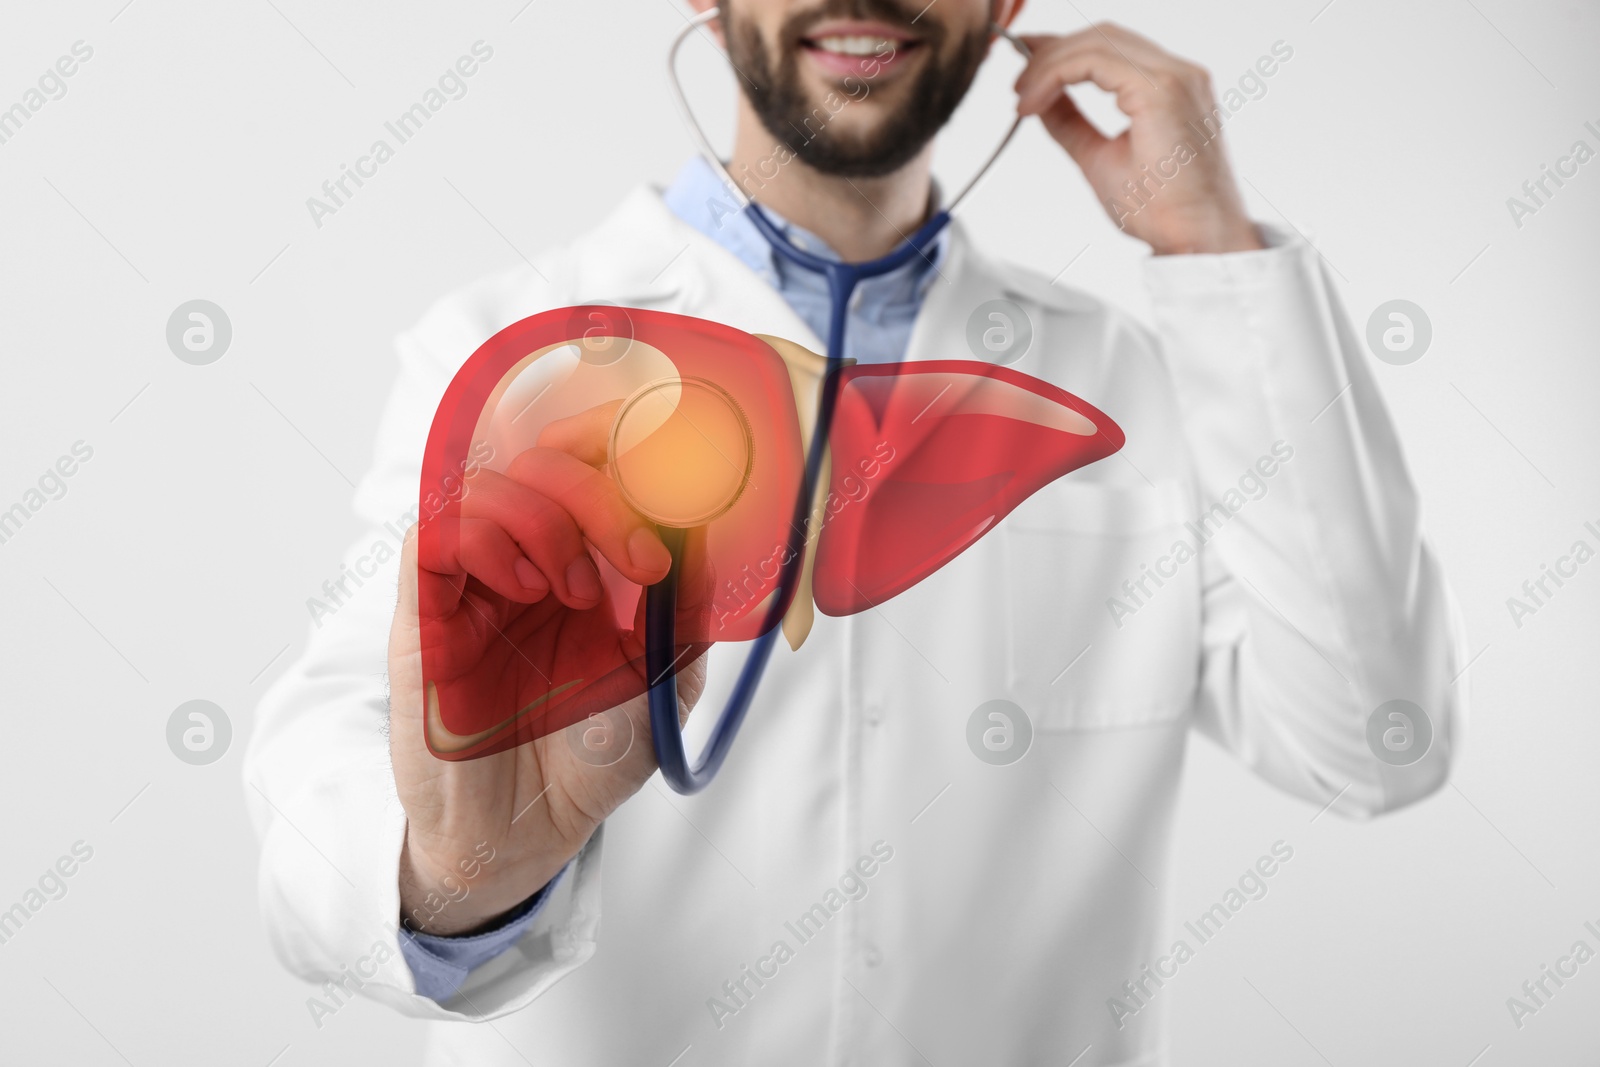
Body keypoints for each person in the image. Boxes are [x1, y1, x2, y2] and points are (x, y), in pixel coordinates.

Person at [245, 0, 1467, 1062]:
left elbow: (1376, 743)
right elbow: (327, 802)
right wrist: (465, 877)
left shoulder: (1128, 378)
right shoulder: (507, 354)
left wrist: (1212, 253)